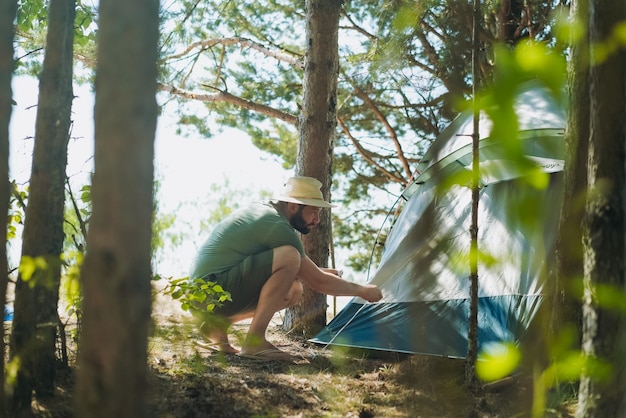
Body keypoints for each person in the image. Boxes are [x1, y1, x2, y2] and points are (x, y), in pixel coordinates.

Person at [189, 176, 383, 360]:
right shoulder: (276, 224)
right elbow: (318, 281)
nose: (317, 220)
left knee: (293, 289)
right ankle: (254, 342)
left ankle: (219, 324)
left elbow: (294, 269)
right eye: (313, 212)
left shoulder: (264, 212)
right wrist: (362, 290)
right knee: (290, 256)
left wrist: (318, 270)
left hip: (205, 294)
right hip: (213, 290)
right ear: (293, 206)